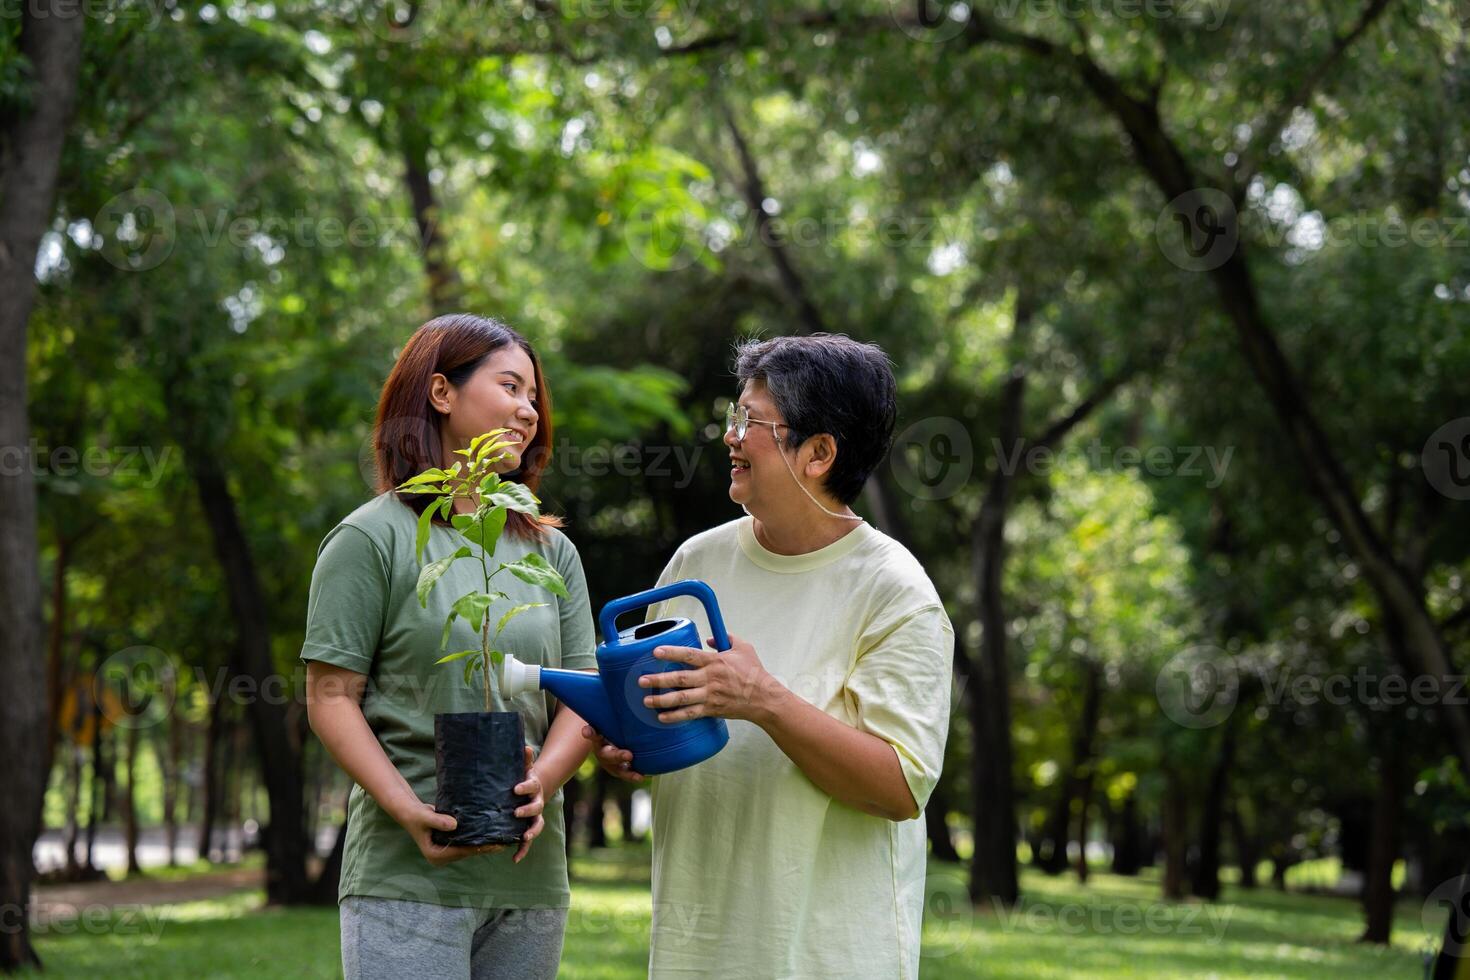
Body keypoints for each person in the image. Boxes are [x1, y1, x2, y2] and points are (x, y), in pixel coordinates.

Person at [587, 334, 955, 979]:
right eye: (734, 417)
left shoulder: (895, 593)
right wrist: (631, 744)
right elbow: (656, 724)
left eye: (750, 422)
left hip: (824, 957)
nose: (730, 436)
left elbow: (900, 788)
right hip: (694, 953)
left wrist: (764, 702)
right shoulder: (695, 564)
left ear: (818, 453)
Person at [303, 313, 595, 980]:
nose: (529, 412)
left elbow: (580, 692)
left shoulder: (550, 552)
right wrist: (408, 810)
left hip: (530, 879)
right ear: (441, 393)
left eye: (534, 398)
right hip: (405, 879)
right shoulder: (370, 539)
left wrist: (539, 786)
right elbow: (329, 697)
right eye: (511, 388)